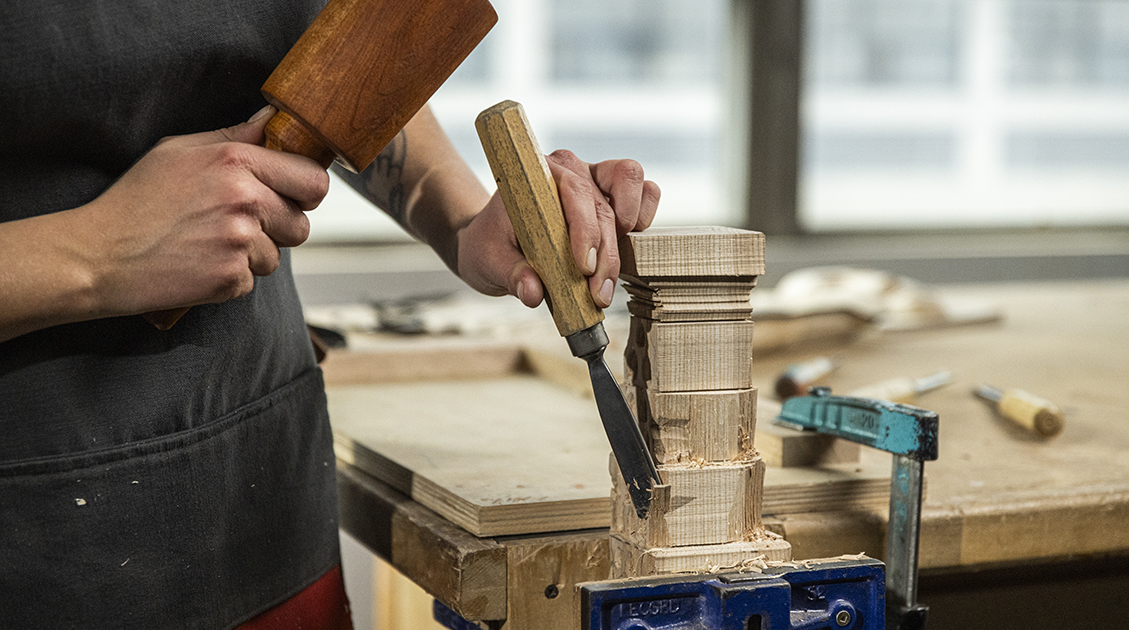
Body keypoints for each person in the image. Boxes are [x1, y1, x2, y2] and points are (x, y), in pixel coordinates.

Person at [0, 0, 659, 627]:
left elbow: (349, 54)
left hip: (265, 501)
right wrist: (92, 254)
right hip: (35, 543)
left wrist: (459, 218)